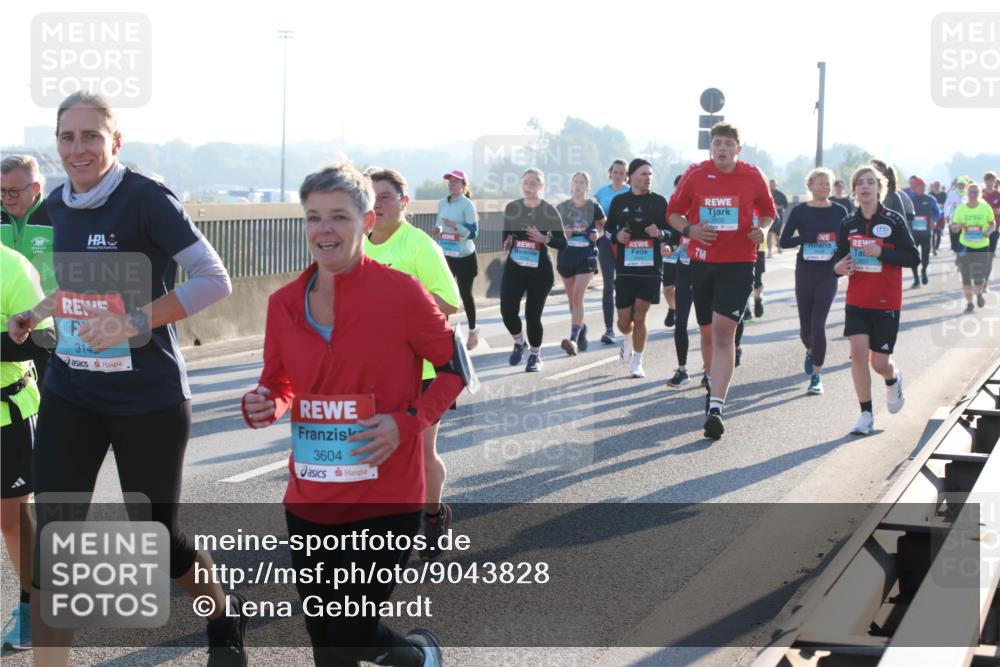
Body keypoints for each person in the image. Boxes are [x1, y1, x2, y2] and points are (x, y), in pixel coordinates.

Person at [5, 91, 242, 666]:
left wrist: (136, 320)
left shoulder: (147, 199)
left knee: (157, 539)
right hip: (71, 390)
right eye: (67, 137)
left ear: (115, 141)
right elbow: (81, 286)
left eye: (91, 136)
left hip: (148, 398)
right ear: (56, 144)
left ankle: (223, 618)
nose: (78, 148)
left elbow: (215, 279)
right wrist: (37, 313)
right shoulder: (58, 202)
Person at [241, 162, 464, 666]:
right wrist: (263, 404)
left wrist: (404, 422)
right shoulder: (282, 304)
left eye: (339, 216)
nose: (324, 229)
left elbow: (453, 371)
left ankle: (416, 654)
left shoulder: (403, 294)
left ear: (367, 222)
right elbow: (280, 381)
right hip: (311, 496)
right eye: (313, 216)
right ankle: (411, 660)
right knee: (328, 640)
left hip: (385, 497)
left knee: (353, 627)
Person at [363, 167, 461, 563]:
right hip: (369, 371)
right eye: (370, 196)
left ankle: (434, 514)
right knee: (374, 453)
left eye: (385, 196)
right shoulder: (355, 245)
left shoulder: (418, 245)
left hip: (422, 372)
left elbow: (449, 302)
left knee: (420, 455)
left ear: (404, 204)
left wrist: (396, 312)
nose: (377, 204)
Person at [668, 122, 776, 439]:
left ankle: (716, 407)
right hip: (702, 265)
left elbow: (769, 213)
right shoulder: (695, 174)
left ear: (738, 149)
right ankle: (712, 380)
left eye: (728, 144)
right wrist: (689, 230)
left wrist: (765, 231)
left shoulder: (752, 175)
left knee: (722, 333)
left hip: (739, 264)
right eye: (717, 143)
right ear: (710, 147)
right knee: (706, 331)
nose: (722, 149)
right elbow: (673, 213)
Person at [833, 166, 919, 435]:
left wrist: (881, 252)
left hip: (886, 301)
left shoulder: (893, 220)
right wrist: (837, 268)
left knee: (879, 363)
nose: (865, 187)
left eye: (870, 182)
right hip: (857, 299)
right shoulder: (848, 223)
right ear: (854, 189)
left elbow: (913, 257)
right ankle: (866, 414)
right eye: (860, 183)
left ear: (879, 187)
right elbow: (837, 258)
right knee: (858, 354)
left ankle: (893, 380)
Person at [0, 246, 55, 651]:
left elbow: (45, 339)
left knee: (12, 519)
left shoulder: (13, 266)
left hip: (9, 414)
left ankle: (33, 605)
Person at [779, 168, 847, 395]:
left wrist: (843, 260)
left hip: (829, 272)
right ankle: (810, 349)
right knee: (805, 329)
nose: (825, 187)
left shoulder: (840, 211)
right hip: (805, 271)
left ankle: (816, 376)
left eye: (827, 184)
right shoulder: (800, 211)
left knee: (819, 325)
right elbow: (784, 241)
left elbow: (848, 239)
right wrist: (805, 238)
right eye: (820, 184)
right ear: (810, 186)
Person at [606, 159, 670, 379]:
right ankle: (626, 340)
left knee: (640, 315)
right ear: (631, 177)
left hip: (650, 268)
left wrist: (660, 234)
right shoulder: (618, 201)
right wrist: (617, 236)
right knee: (624, 321)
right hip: (625, 268)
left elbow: (673, 232)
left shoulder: (660, 202)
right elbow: (607, 229)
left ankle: (637, 362)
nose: (647, 178)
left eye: (650, 174)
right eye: (643, 174)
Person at [501, 168, 567, 372]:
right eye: (526, 181)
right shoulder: (512, 207)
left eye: (534, 181)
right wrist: (507, 240)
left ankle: (535, 356)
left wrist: (544, 238)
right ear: (521, 184)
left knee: (532, 315)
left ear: (541, 186)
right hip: (516, 266)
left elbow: (562, 242)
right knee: (507, 310)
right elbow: (506, 231)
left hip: (540, 269)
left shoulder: (549, 210)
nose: (529, 184)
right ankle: (519, 342)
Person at [556, 171, 603, 355]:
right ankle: (581, 329)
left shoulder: (593, 206)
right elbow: (553, 230)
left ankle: (573, 339)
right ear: (571, 185)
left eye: (582, 182)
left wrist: (596, 235)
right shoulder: (562, 207)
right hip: (567, 255)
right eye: (575, 182)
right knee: (571, 301)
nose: (578, 185)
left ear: (587, 186)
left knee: (577, 297)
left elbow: (603, 224)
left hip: (586, 255)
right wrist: (563, 232)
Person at [434, 169, 480, 349]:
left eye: (456, 182)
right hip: (447, 254)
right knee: (443, 293)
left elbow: (473, 233)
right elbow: (439, 222)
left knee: (465, 294)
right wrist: (438, 229)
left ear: (463, 185)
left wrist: (456, 227)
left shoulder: (467, 205)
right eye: (450, 181)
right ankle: (442, 332)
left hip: (465, 257)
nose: (452, 184)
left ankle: (473, 330)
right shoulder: (442, 203)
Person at [1, 156, 57, 295]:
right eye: (2, 191)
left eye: (14, 191)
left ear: (35, 188)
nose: (7, 198)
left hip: (44, 312)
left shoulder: (58, 218)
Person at [594, 159, 630, 344]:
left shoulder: (630, 192)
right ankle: (609, 329)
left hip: (626, 242)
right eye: (615, 172)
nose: (618, 175)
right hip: (606, 242)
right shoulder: (601, 193)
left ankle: (627, 325)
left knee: (624, 283)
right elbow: (592, 215)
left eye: (622, 173)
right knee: (608, 284)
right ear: (610, 173)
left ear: (627, 176)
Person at [951, 181, 996, 312]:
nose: (973, 194)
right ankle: (969, 303)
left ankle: (979, 293)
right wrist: (958, 226)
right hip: (965, 246)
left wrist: (989, 231)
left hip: (982, 246)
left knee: (978, 277)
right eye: (970, 192)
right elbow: (953, 228)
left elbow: (992, 223)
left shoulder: (985, 208)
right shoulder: (961, 209)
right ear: (967, 193)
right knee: (965, 277)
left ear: (980, 194)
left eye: (976, 192)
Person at [907, 178, 942, 286]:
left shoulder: (930, 199)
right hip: (914, 233)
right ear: (914, 188)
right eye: (919, 186)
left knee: (925, 257)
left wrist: (934, 220)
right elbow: (906, 214)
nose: (922, 188)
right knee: (912, 256)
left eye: (923, 186)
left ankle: (924, 270)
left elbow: (938, 212)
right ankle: (916, 279)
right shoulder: (910, 200)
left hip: (926, 233)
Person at [981, 171, 1000, 287]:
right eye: (987, 180)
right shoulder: (981, 195)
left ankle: (985, 282)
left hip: (994, 229)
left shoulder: (998, 195)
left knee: (989, 256)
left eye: (991, 180)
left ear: (994, 181)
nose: (989, 183)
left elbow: (997, 212)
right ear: (985, 182)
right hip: (980, 229)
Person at [766, 178, 788, 258]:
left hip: (778, 217)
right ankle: (769, 252)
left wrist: (776, 207)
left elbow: (785, 206)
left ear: (776, 185)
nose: (772, 186)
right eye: (770, 185)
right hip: (768, 217)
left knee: (777, 234)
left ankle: (778, 247)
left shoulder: (781, 195)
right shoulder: (765, 193)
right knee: (769, 234)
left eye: (773, 185)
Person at [929, 180, 948, 254]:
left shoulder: (943, 194)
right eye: (935, 185)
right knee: (933, 232)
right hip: (932, 215)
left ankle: (936, 247)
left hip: (941, 215)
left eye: (938, 185)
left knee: (939, 232)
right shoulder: (930, 194)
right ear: (933, 186)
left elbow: (946, 203)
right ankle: (933, 247)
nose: (936, 187)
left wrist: (939, 206)